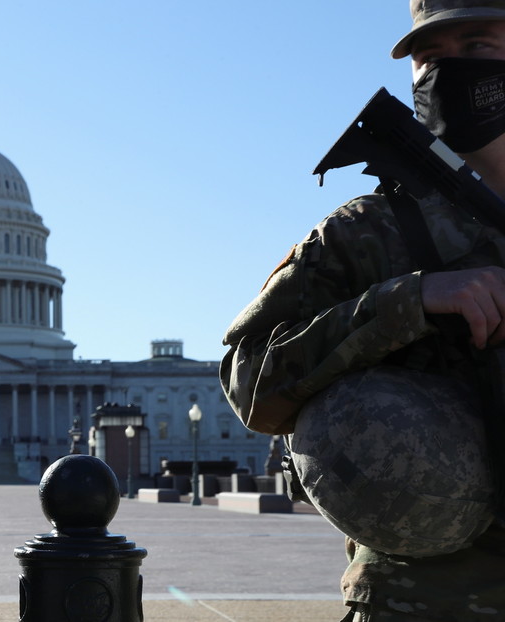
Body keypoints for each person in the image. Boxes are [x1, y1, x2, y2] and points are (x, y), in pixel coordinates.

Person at [222, 1, 505, 620]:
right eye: (429, 58)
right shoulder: (369, 232)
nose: (446, 74)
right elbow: (249, 379)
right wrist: (409, 301)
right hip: (426, 603)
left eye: (478, 46)